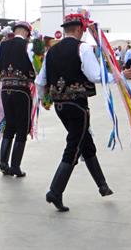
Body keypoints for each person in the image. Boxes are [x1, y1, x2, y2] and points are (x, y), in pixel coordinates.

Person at [35, 13, 114, 212]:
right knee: (74, 147)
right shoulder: (83, 48)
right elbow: (95, 75)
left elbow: (40, 81)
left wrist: (43, 99)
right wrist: (117, 77)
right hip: (78, 105)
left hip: (60, 106)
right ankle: (55, 191)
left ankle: (102, 185)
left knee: (85, 142)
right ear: (79, 29)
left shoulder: (51, 51)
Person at [0, 21, 34, 177]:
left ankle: (3, 163)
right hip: (22, 90)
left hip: (6, 89)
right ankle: (15, 166)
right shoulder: (28, 46)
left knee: (9, 125)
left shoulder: (1, 46)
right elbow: (37, 66)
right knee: (22, 128)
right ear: (26, 32)